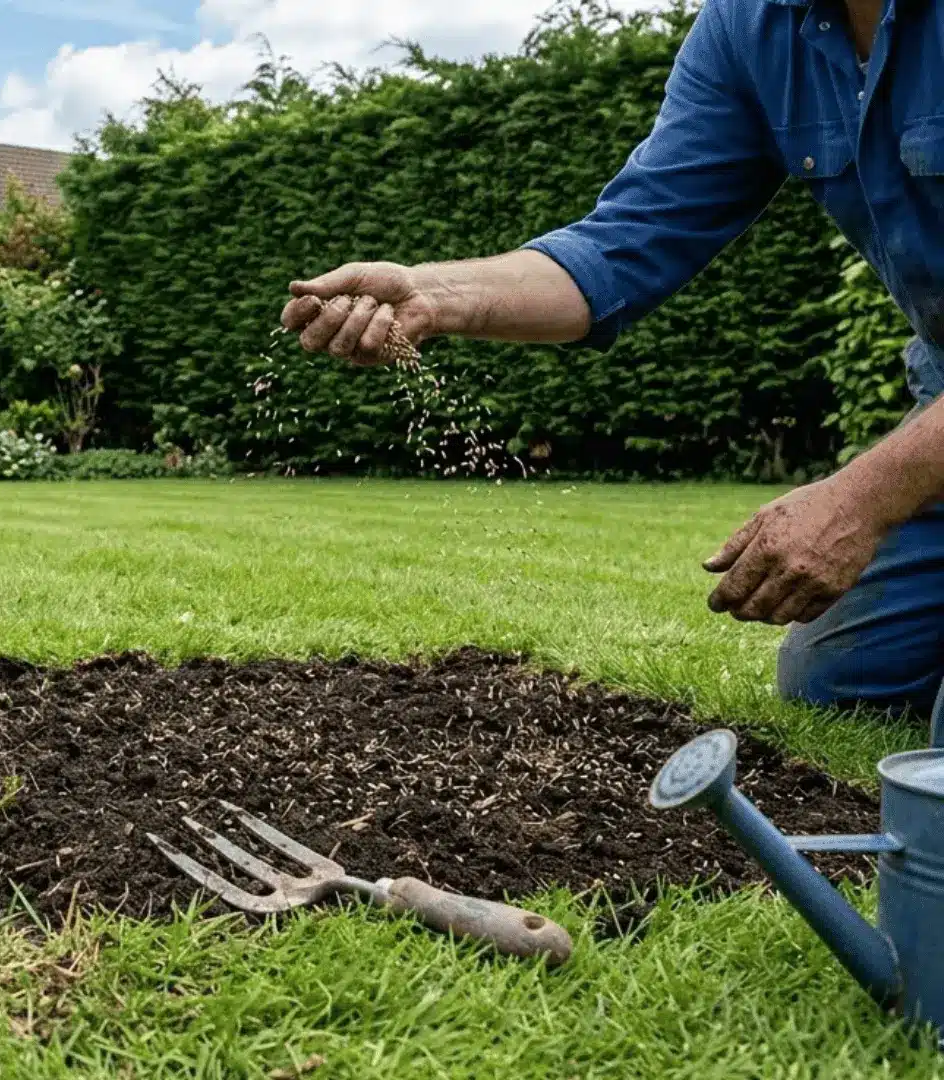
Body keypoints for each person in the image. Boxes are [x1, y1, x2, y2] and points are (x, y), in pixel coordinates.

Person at [280, 0, 944, 715]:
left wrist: (863, 496)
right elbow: (623, 244)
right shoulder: (751, 28)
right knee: (835, 685)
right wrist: (430, 294)